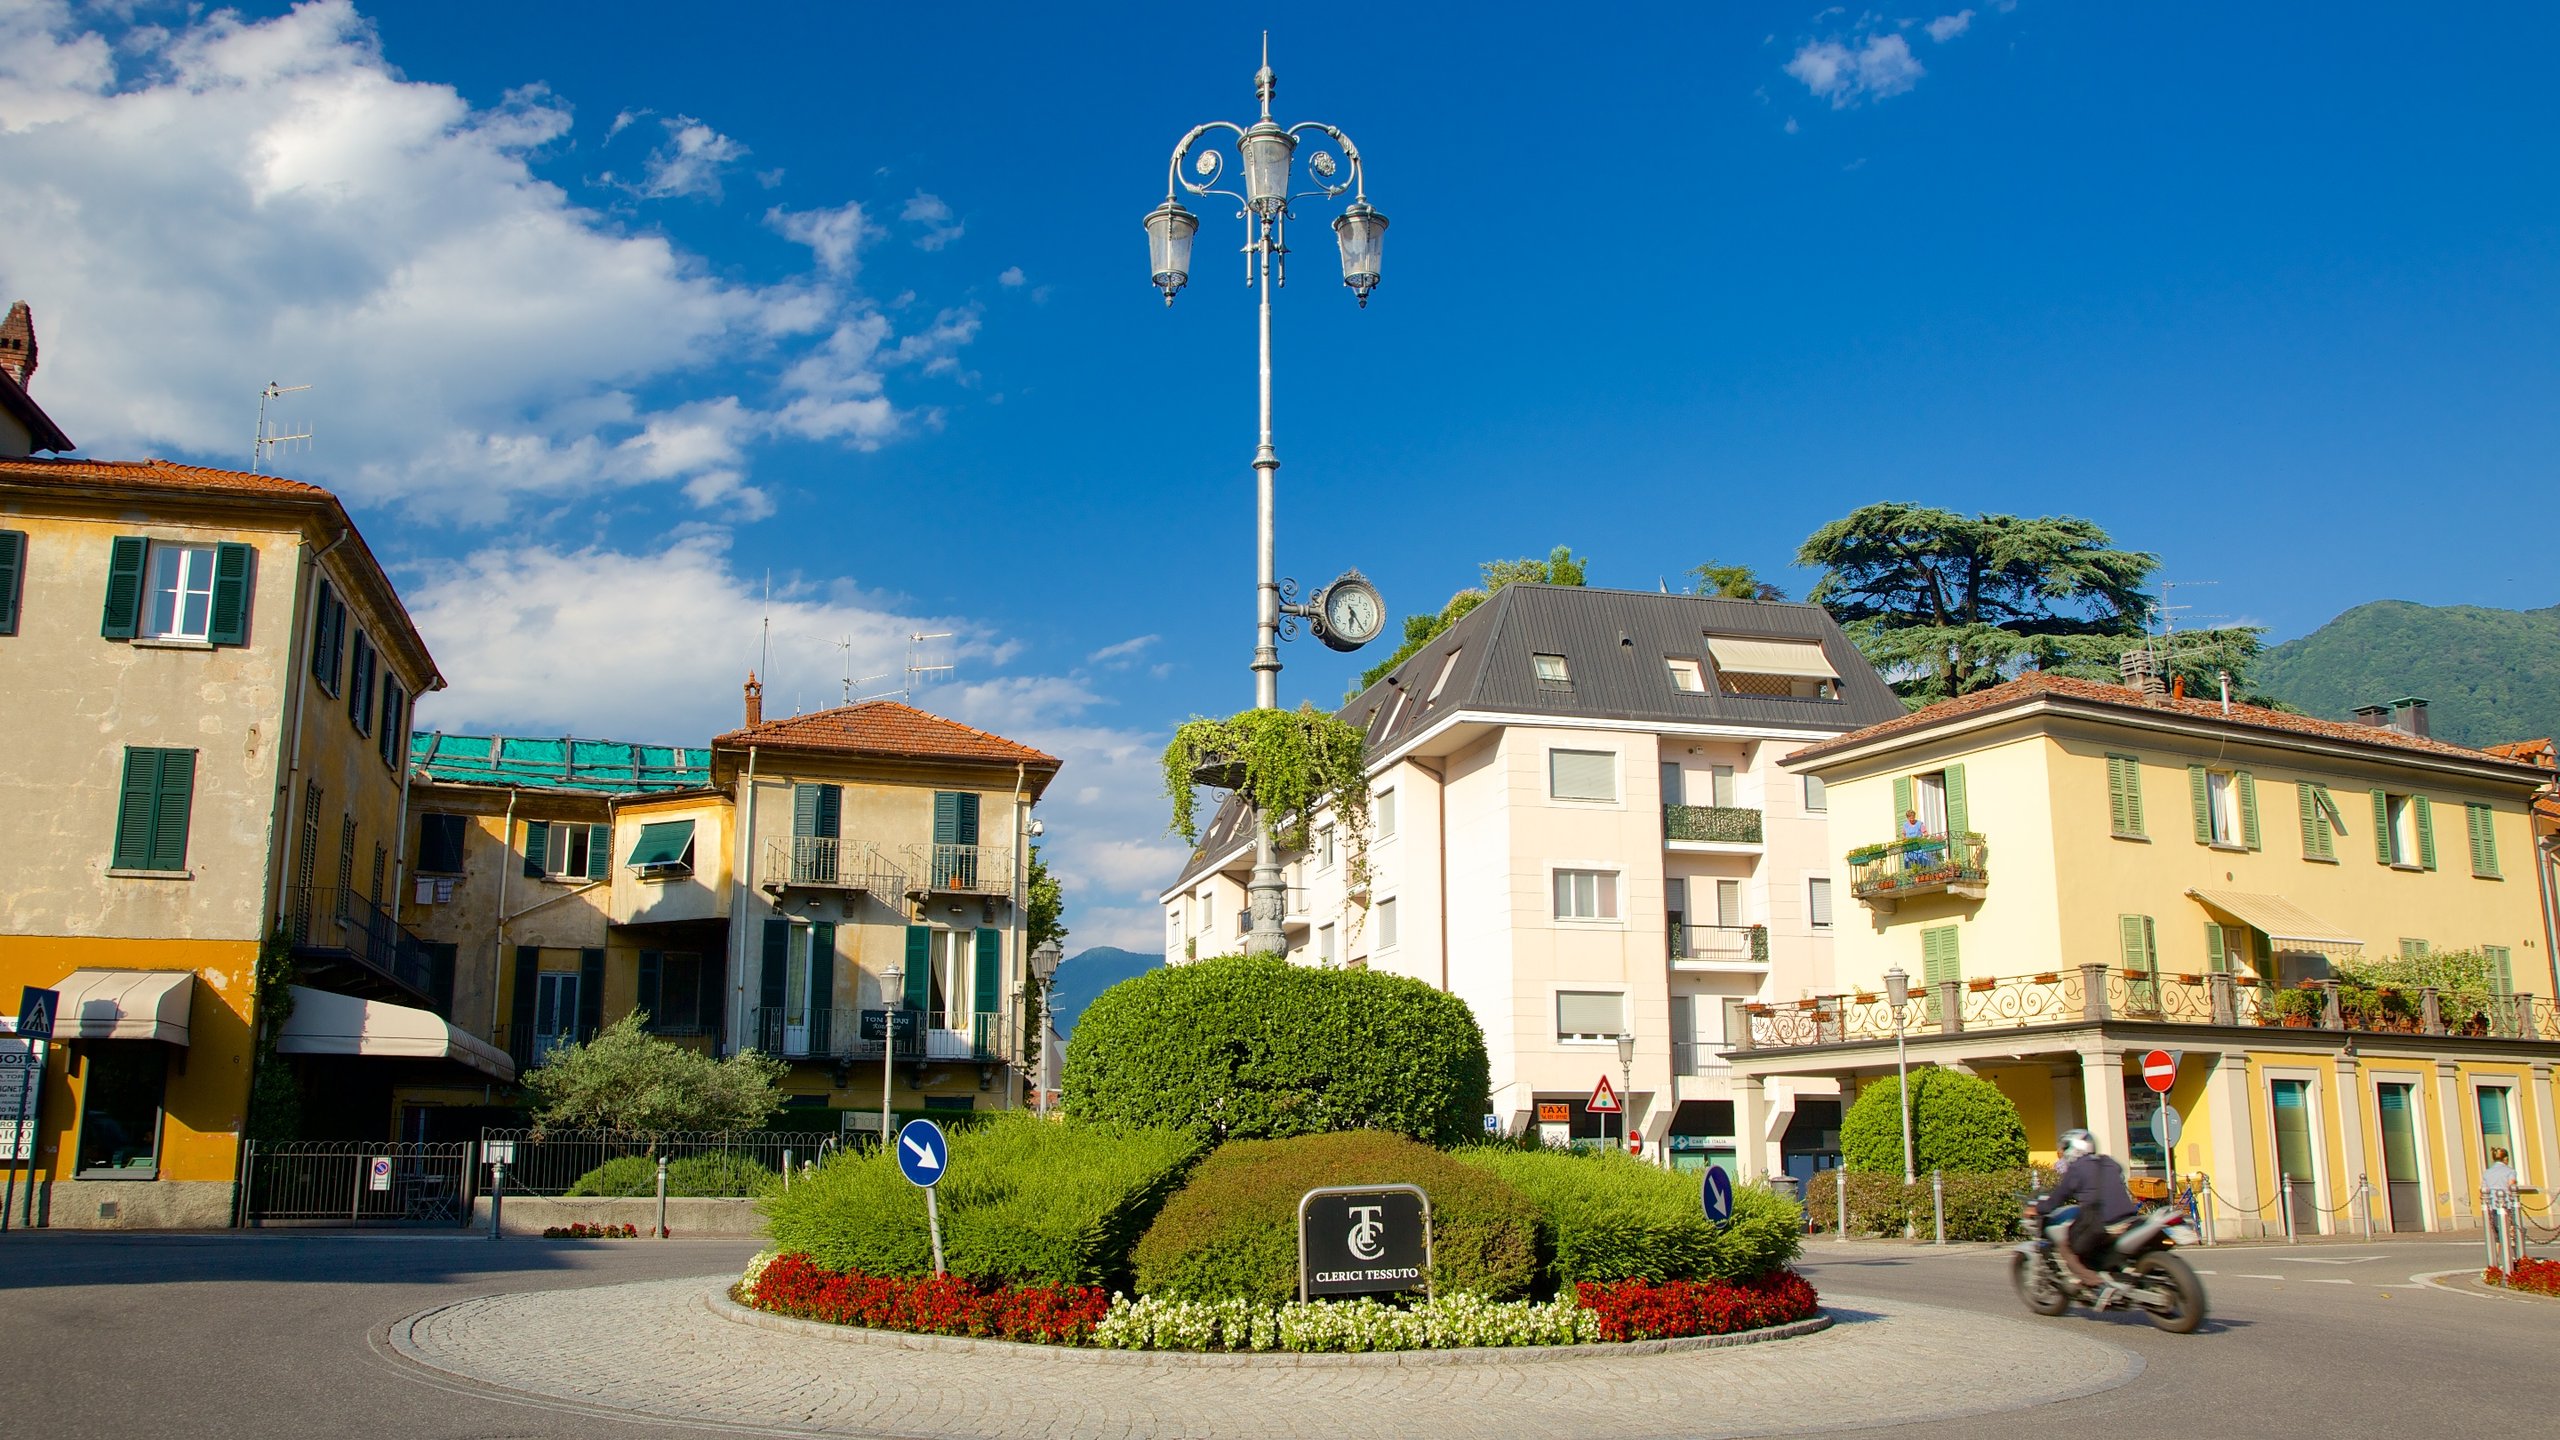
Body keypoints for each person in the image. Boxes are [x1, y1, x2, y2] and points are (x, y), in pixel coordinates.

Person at [2032, 1129, 2139, 1297]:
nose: (2063, 1152)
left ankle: (2093, 1281)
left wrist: (2037, 1208)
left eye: (2065, 1147)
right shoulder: (2108, 1161)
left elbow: (2057, 1199)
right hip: (2129, 1217)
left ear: (2074, 1148)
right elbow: (2119, 1170)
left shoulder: (2076, 1169)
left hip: (2105, 1222)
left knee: (2066, 1244)